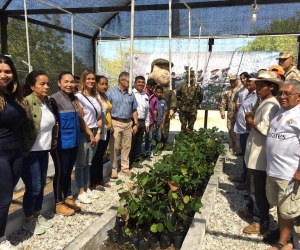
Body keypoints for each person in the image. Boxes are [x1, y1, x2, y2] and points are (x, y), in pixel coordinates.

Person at [240, 71, 281, 235]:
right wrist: (252, 124)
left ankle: (261, 221)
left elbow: (268, 129)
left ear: (271, 87)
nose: (257, 89)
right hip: (256, 154)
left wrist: (251, 122)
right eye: (256, 86)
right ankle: (253, 212)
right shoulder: (266, 102)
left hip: (261, 156)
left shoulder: (272, 105)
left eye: (261, 86)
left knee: (258, 189)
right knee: (253, 186)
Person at [50, 71, 95, 215]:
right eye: (66, 82)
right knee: (60, 172)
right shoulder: (54, 100)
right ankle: (58, 202)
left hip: (73, 142)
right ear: (59, 83)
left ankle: (68, 197)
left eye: (72, 82)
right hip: (61, 144)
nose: (70, 84)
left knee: (68, 171)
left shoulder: (73, 99)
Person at [265, 79, 300, 250]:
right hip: (274, 170)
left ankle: (283, 244)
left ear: (298, 97)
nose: (282, 96)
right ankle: (282, 235)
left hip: (289, 174)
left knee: (287, 209)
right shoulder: (281, 111)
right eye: (281, 93)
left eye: (287, 93)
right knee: (279, 205)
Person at [21, 70, 56, 235]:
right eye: (42, 84)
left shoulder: (46, 102)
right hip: (31, 153)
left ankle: (37, 214)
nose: (47, 86)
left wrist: (53, 141)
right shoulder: (26, 102)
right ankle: (28, 220)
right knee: (34, 187)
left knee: (41, 185)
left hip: (43, 151)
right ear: (32, 86)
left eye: (48, 83)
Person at [0, 55, 28, 249]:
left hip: (16, 152)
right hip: (0, 154)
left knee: (7, 194)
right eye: (0, 71)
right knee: (4, 199)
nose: (3, 75)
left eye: (7, 71)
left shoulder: (14, 96)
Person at [75, 70, 102, 204]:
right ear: (83, 80)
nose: (91, 81)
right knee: (81, 163)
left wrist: (98, 132)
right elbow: (80, 117)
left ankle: (87, 187)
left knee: (88, 162)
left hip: (94, 131)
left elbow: (100, 115)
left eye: (93, 79)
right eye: (88, 79)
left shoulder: (96, 96)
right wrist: (90, 134)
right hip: (84, 132)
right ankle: (80, 191)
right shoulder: (78, 96)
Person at [106, 72, 138, 178]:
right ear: (122, 81)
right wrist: (109, 125)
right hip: (115, 122)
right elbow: (107, 110)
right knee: (114, 147)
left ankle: (125, 167)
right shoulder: (110, 93)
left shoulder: (131, 93)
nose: (130, 84)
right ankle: (114, 169)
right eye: (128, 81)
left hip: (128, 123)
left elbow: (134, 109)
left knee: (127, 146)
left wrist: (136, 124)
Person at [232, 73, 258, 190]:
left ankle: (247, 181)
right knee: (245, 155)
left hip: (248, 131)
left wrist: (250, 131)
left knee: (248, 157)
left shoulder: (256, 96)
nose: (247, 83)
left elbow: (255, 115)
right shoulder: (249, 94)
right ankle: (244, 176)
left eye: (250, 82)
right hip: (243, 130)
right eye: (247, 81)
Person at [90, 75, 112, 190]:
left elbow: (108, 113)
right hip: (99, 130)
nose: (104, 86)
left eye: (106, 84)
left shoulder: (105, 96)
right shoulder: (95, 97)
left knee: (101, 155)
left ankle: (100, 179)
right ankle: (94, 181)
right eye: (101, 84)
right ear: (96, 85)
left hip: (107, 129)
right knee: (96, 156)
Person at [129, 76, 150, 167]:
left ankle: (136, 160)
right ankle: (129, 162)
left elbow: (147, 111)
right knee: (131, 142)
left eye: (143, 82)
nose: (141, 84)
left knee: (139, 142)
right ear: (135, 83)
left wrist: (147, 123)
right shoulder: (131, 94)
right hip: (133, 121)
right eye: (139, 82)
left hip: (142, 121)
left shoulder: (145, 96)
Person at [220, 74, 242, 153]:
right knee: (230, 130)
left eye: (234, 80)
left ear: (237, 80)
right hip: (230, 114)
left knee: (239, 131)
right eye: (231, 80)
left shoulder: (241, 88)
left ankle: (240, 147)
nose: (232, 82)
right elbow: (223, 101)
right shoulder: (227, 89)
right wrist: (222, 111)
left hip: (239, 114)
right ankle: (233, 146)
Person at [144, 78, 158, 157]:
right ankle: (137, 155)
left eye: (153, 86)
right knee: (138, 139)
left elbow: (155, 110)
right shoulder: (142, 94)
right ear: (147, 85)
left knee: (149, 137)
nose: (152, 87)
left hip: (151, 120)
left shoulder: (155, 97)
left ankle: (147, 153)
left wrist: (155, 122)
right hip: (141, 119)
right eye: (150, 85)